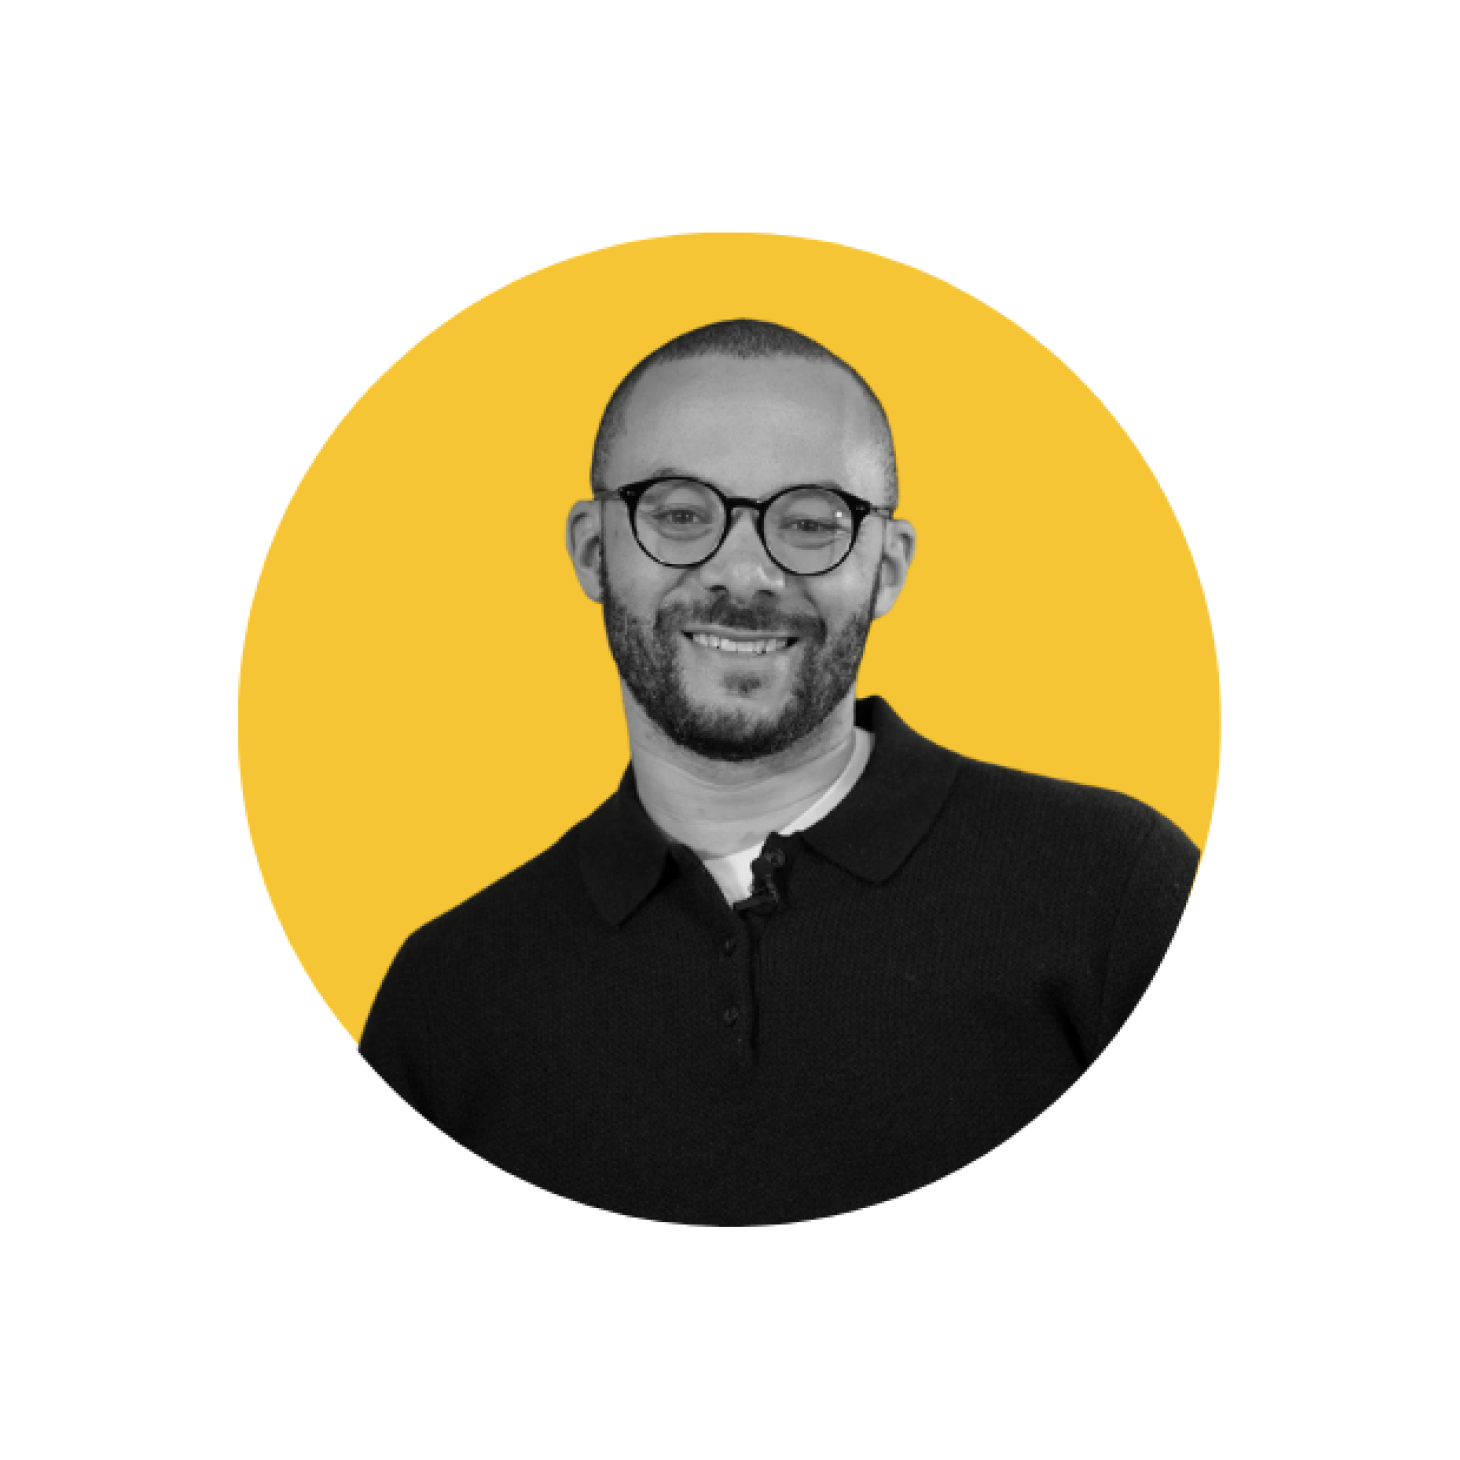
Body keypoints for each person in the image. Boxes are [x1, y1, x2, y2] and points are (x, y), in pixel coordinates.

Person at [360, 318, 1200, 1225]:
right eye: (681, 514)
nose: (745, 573)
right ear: (594, 550)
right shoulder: (447, 993)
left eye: (808, 523)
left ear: (887, 568)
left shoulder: (1116, 889)